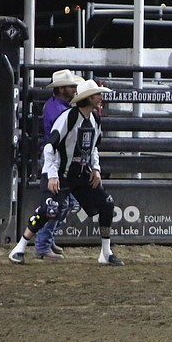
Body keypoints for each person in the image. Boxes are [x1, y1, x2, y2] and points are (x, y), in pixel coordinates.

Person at [9, 80, 123, 266]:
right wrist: (52, 175)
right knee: (50, 210)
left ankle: (106, 251)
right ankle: (20, 247)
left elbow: (94, 147)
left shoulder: (95, 119)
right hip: (60, 173)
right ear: (88, 98)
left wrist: (95, 168)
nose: (101, 98)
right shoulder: (68, 117)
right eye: (97, 95)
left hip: (80, 173)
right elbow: (49, 146)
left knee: (106, 205)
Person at [30, 69, 85, 260]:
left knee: (64, 203)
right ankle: (43, 243)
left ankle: (46, 239)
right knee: (59, 203)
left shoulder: (54, 106)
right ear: (62, 89)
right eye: (72, 86)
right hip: (57, 159)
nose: (75, 89)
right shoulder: (60, 111)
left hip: (56, 157)